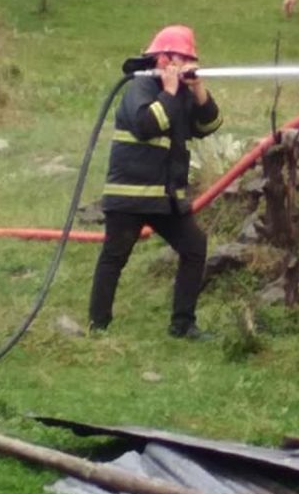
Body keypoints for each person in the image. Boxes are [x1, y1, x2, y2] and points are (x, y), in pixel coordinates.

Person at [88, 25, 223, 340]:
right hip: (131, 195)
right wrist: (171, 91)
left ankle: (183, 324)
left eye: (190, 59)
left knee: (194, 247)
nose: (186, 64)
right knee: (115, 256)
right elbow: (148, 124)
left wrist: (198, 88)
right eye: (181, 57)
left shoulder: (181, 93)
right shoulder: (140, 88)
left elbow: (209, 124)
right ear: (162, 58)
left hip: (165, 197)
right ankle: (98, 326)